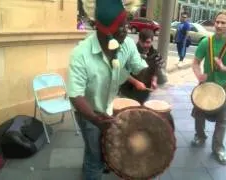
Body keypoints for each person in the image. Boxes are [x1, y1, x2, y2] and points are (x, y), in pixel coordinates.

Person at [67, 0, 162, 179]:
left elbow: (139, 71)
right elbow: (75, 95)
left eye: (126, 23)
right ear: (104, 30)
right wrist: (96, 119)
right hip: (88, 112)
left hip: (109, 106)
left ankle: (93, 159)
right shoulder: (80, 54)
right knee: (95, 157)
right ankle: (91, 167)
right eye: (121, 26)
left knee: (104, 149)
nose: (126, 30)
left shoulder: (125, 44)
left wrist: (151, 69)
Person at [191, 10, 226, 165]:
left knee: (222, 120)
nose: (219, 25)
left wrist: (224, 68)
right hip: (206, 85)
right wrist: (198, 75)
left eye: (223, 23)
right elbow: (195, 63)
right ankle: (200, 136)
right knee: (198, 113)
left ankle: (218, 148)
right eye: (217, 22)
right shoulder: (206, 42)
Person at [119, 28, 160, 104]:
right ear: (139, 40)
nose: (145, 45)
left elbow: (155, 69)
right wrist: (135, 82)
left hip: (144, 93)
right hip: (128, 91)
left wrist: (154, 80)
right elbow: (121, 71)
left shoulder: (155, 54)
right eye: (142, 42)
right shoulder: (131, 51)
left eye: (148, 42)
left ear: (152, 41)